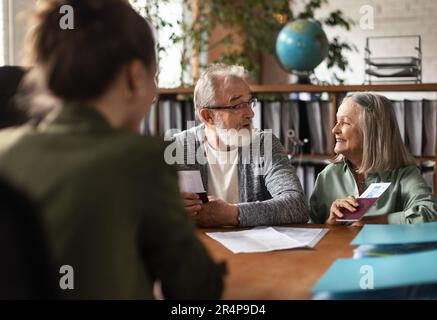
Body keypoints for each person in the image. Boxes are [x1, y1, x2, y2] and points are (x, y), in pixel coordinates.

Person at [0, 0, 225, 299]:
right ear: (134, 77)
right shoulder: (139, 159)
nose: (154, 94)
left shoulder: (5, 148)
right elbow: (196, 288)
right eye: (153, 78)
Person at [168, 63, 308, 227]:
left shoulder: (264, 145)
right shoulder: (179, 147)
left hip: (257, 250)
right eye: (238, 106)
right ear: (208, 116)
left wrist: (231, 214)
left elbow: (297, 206)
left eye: (249, 102)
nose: (250, 113)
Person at [309, 92, 437, 225]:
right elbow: (309, 229)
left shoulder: (404, 175)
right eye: (337, 121)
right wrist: (330, 223)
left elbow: (430, 213)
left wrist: (375, 222)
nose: (334, 130)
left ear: (371, 131)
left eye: (345, 122)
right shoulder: (327, 176)